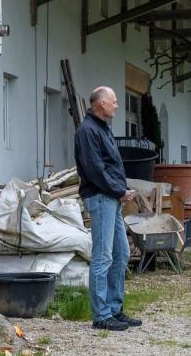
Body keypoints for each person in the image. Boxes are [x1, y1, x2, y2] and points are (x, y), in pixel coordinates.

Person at [75, 86, 140, 331]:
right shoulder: (88, 131)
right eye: (113, 101)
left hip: (110, 198)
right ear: (101, 103)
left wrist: (119, 190)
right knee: (102, 256)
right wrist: (119, 190)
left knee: (121, 253)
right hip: (101, 198)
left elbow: (109, 166)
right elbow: (95, 169)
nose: (116, 105)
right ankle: (101, 316)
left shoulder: (102, 129)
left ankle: (114, 309)